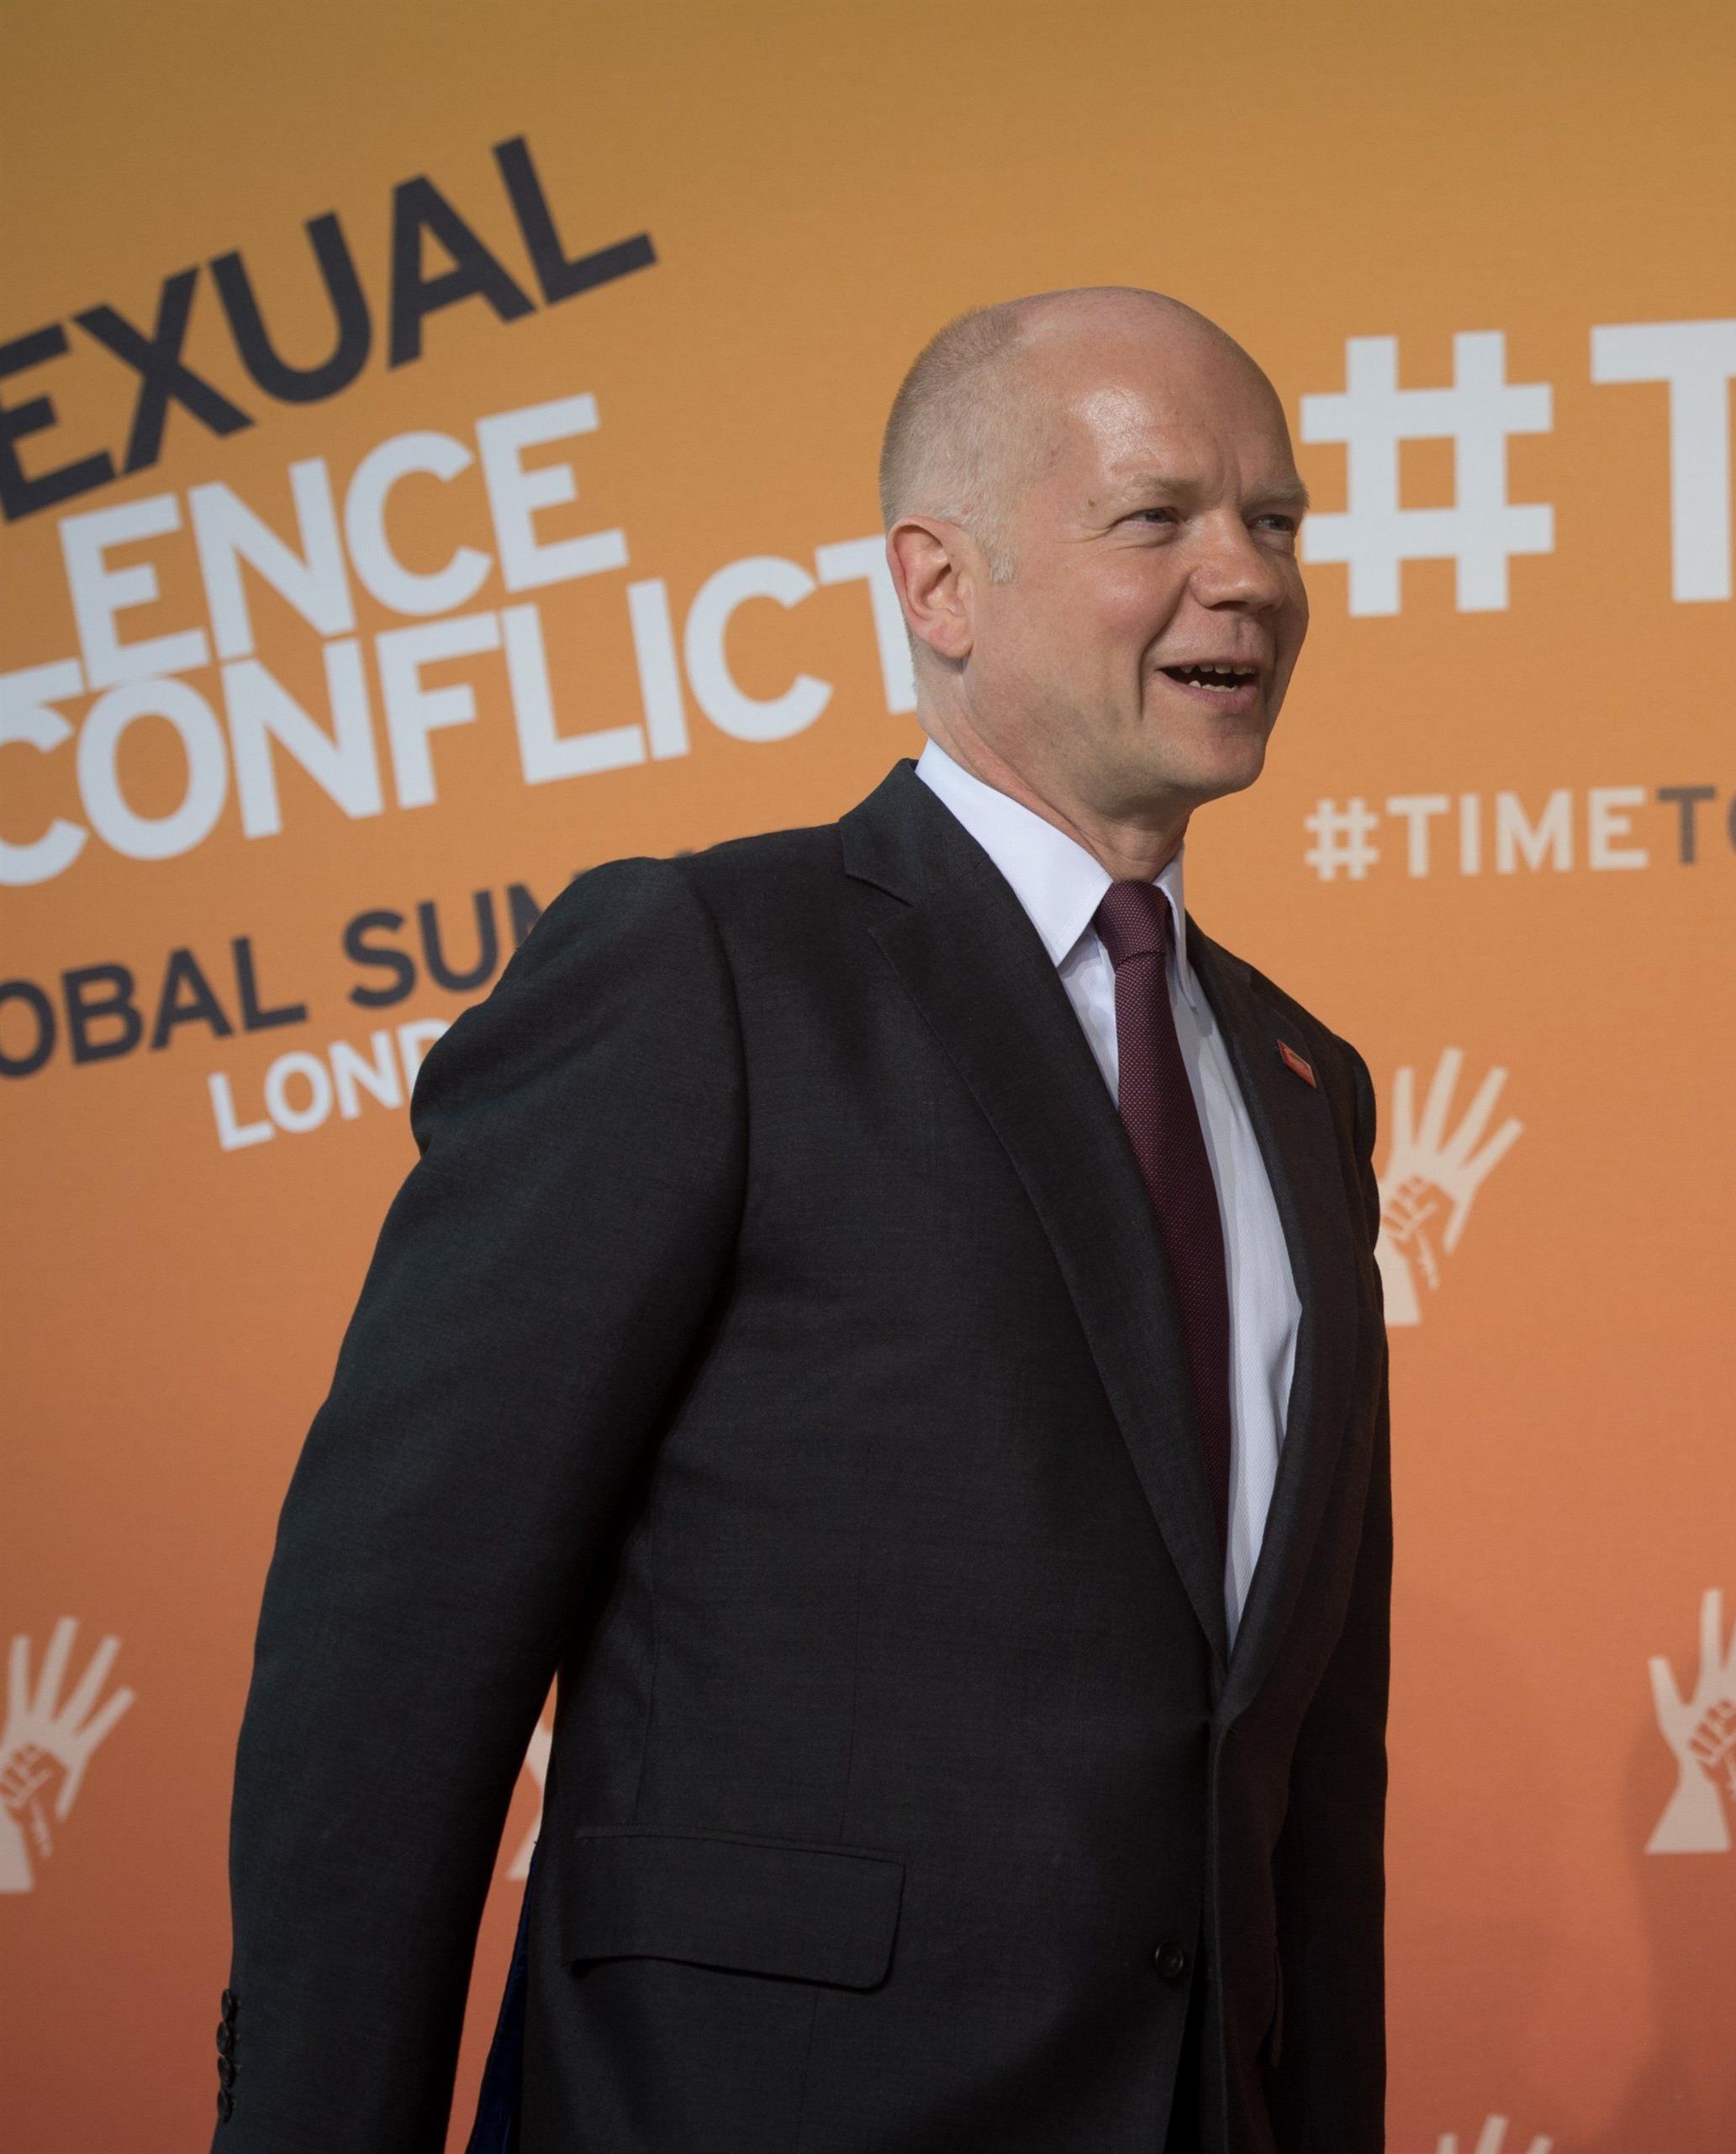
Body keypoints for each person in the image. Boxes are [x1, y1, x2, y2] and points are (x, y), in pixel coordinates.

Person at [213, 289, 1390, 2154]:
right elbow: (391, 1661)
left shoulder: (1307, 1083)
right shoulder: (701, 974)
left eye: (1278, 520)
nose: (1246, 577)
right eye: (1157, 519)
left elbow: (1311, 1774)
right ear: (938, 586)